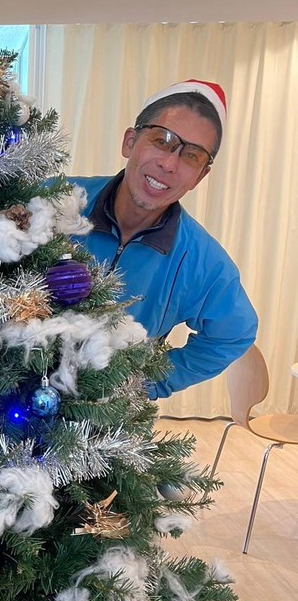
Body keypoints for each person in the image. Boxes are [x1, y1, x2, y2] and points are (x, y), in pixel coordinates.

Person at [68, 79, 257, 399]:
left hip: (103, 418)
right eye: (162, 140)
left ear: (201, 176)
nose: (169, 164)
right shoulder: (57, 200)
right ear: (130, 141)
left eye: (192, 156)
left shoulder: (203, 263)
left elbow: (235, 334)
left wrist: (146, 383)